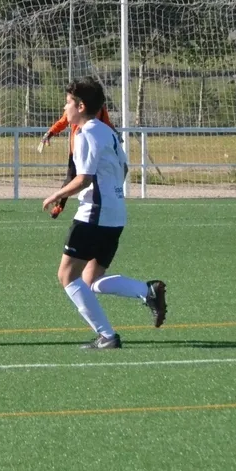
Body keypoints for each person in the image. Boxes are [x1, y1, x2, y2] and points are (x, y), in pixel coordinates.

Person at [41, 78, 167, 349]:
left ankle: (107, 336)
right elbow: (124, 169)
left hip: (93, 215)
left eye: (67, 103)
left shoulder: (85, 133)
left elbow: (84, 178)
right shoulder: (108, 132)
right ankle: (146, 291)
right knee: (90, 281)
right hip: (115, 214)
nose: (64, 108)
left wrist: (56, 194)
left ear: (81, 106)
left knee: (67, 276)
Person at [42, 77, 114, 219]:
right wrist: (50, 133)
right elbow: (62, 122)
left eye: (68, 102)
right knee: (71, 177)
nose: (66, 107)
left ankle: (100, 202)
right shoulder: (74, 114)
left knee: (92, 178)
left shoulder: (99, 111)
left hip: (95, 150)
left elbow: (107, 124)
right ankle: (59, 205)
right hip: (76, 151)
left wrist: (115, 135)